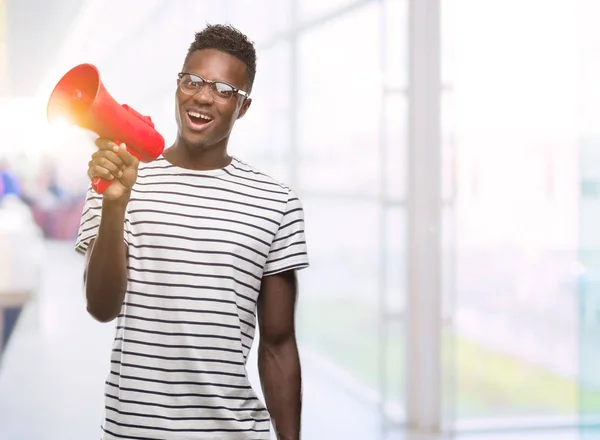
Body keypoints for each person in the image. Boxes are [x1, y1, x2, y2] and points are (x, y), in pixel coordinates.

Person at [75, 24, 309, 440]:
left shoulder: (276, 202)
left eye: (222, 89)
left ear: (244, 107)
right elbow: (100, 306)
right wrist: (115, 204)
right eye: (193, 81)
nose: (202, 96)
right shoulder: (118, 178)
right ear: (178, 85)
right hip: (133, 431)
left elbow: (278, 343)